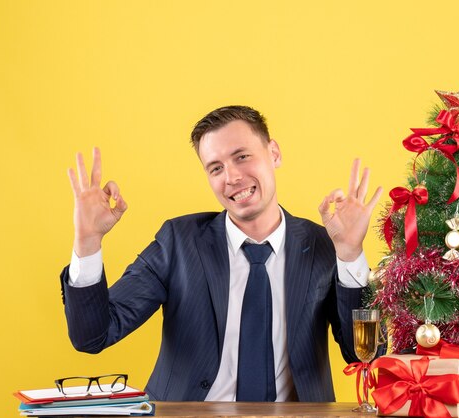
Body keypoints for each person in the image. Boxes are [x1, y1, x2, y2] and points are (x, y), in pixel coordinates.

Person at [61, 105, 384, 402]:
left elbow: (364, 355)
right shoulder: (178, 242)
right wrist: (87, 242)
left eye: (242, 157)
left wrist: (350, 252)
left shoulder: (323, 244)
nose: (231, 177)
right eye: (215, 168)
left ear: (273, 153)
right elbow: (93, 336)